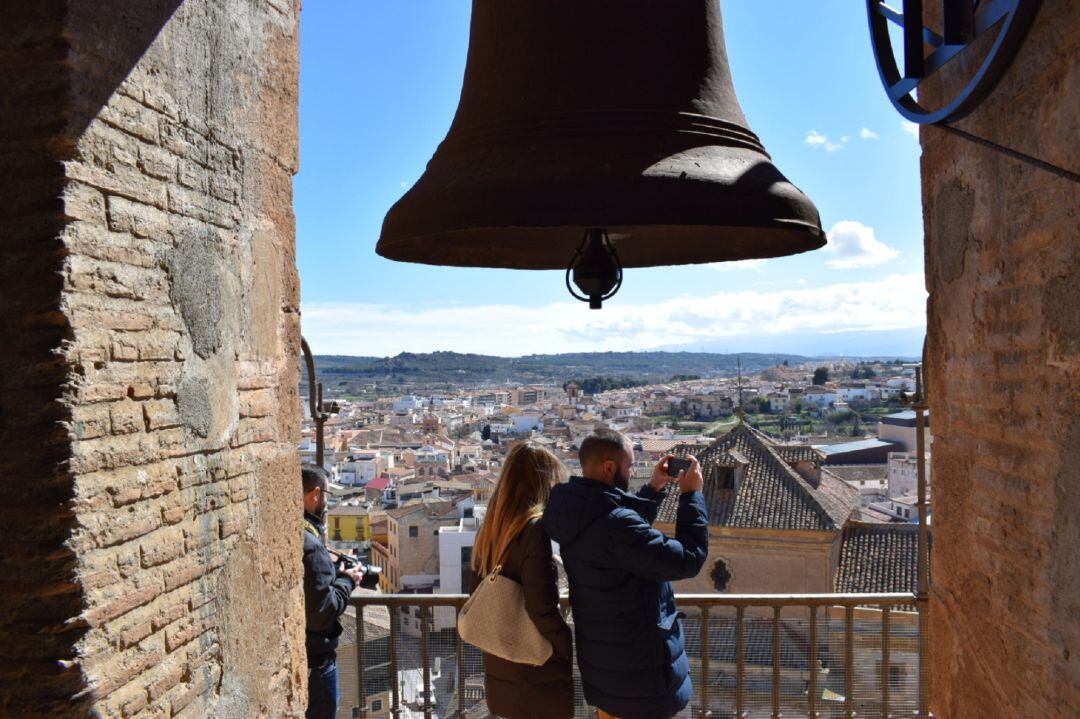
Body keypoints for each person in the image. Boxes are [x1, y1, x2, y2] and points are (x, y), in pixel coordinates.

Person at [542, 429, 708, 719]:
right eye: (630, 465)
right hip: (641, 680)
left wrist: (654, 488)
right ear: (609, 467)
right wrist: (691, 497)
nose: (633, 472)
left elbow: (621, 535)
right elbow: (688, 558)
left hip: (606, 672)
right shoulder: (615, 527)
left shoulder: (574, 513)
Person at [468, 442, 574, 719]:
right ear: (539, 482)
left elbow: (476, 589)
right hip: (535, 666)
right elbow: (540, 606)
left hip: (501, 662)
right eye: (553, 481)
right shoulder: (534, 530)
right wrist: (564, 644)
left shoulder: (491, 527)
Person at [302, 464, 363, 719]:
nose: (326, 502)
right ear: (315, 494)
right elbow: (323, 611)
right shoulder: (311, 544)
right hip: (318, 662)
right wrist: (348, 581)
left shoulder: (299, 533)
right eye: (327, 495)